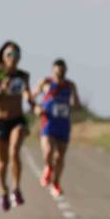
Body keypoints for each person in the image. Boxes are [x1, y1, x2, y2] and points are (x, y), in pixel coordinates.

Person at [0, 41, 33, 211]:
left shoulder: (23, 75)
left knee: (14, 152)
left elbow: (27, 92)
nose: (13, 58)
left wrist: (31, 100)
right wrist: (0, 90)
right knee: (2, 163)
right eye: (9, 55)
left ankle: (16, 188)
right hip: (1, 121)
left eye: (16, 55)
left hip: (17, 120)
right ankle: (3, 190)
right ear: (4, 58)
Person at [34, 59, 80, 198]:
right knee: (48, 152)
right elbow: (31, 95)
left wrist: (74, 103)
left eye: (62, 70)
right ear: (53, 70)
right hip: (48, 123)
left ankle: (56, 183)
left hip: (63, 124)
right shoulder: (45, 83)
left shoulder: (70, 85)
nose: (60, 73)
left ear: (66, 70)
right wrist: (36, 107)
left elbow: (76, 103)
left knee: (60, 156)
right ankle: (48, 167)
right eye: (57, 70)